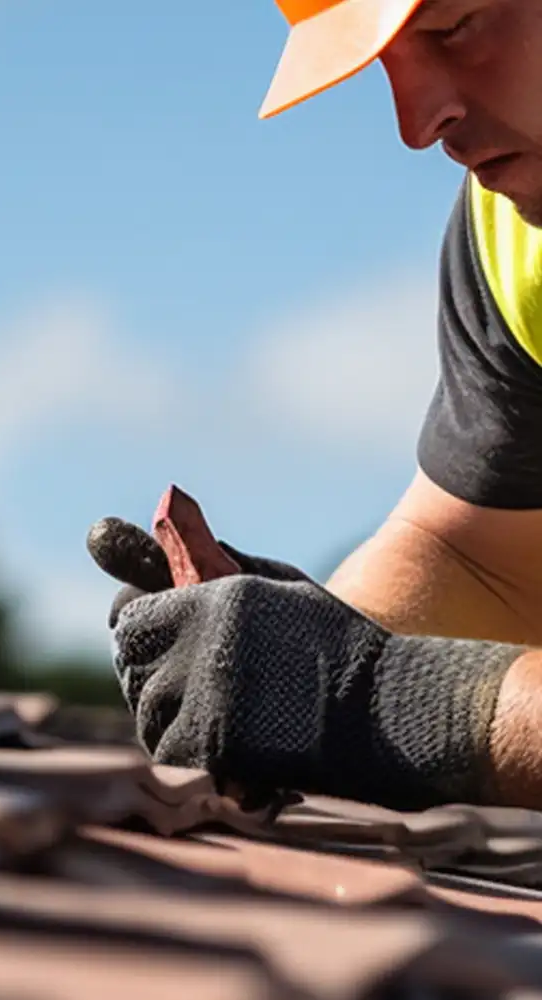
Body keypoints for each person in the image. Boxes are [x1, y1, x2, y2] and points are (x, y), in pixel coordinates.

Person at [88, 0, 542, 812]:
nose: (418, 125)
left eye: (455, 28)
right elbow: (479, 563)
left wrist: (389, 702)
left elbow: (395, 694)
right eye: (385, 67)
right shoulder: (515, 244)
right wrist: (297, 651)